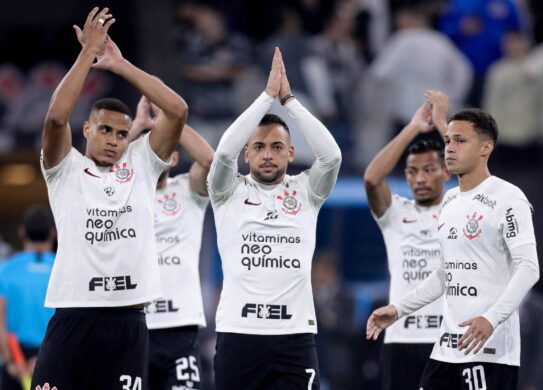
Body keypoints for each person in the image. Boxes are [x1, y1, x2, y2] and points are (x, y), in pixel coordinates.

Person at [31, 7, 188, 390]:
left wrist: (119, 65)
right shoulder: (65, 169)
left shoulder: (142, 165)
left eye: (121, 134)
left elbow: (177, 110)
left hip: (127, 325)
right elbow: (54, 120)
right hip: (73, 320)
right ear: (87, 129)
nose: (114, 140)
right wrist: (88, 55)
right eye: (104, 130)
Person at [366, 109, 540, 390]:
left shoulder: (508, 197)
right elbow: (446, 273)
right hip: (446, 349)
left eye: (460, 140)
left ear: (486, 148)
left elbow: (529, 267)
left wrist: (491, 319)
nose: (450, 148)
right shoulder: (450, 200)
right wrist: (399, 309)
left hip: (489, 350)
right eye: (448, 141)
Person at [207, 47, 341, 390]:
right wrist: (266, 98)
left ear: (291, 153)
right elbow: (223, 152)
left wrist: (290, 102)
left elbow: (331, 155)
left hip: (295, 336)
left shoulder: (306, 191)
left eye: (277, 147)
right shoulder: (226, 192)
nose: (268, 154)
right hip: (239, 334)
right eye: (260, 146)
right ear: (247, 152)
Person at [363, 91, 450, 390]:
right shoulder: (395, 212)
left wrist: (441, 123)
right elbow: (372, 178)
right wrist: (413, 127)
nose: (420, 179)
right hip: (401, 338)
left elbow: (474, 168)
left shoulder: (461, 207)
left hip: (449, 339)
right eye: (412, 172)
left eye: (429, 170)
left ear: (446, 171)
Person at [130, 95, 214, 389]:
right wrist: (138, 126)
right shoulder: (121, 195)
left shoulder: (187, 191)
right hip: (134, 326)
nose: (155, 153)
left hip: (180, 328)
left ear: (174, 158)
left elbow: (209, 160)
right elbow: (96, 173)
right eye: (149, 147)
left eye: (163, 146)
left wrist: (172, 122)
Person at [0, 206, 56, 390]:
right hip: (53, 355)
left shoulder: (6, 269)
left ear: (22, 232)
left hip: (16, 361)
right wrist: (46, 359)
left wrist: (12, 363)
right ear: (53, 233)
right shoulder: (63, 270)